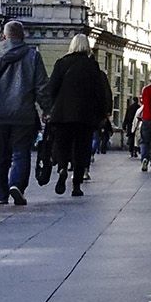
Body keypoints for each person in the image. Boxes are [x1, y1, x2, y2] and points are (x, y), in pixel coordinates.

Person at [0, 21, 50, 205]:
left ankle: (0, 193)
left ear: (4, 35)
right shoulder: (33, 56)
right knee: (21, 153)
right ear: (22, 36)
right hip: (24, 115)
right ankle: (16, 185)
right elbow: (41, 87)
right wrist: (47, 109)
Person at [43, 35, 111, 196]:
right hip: (85, 117)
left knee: (62, 144)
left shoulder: (61, 63)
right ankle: (76, 185)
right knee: (82, 149)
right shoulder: (92, 66)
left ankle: (61, 169)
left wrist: (48, 109)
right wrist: (102, 113)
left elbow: (51, 89)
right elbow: (99, 92)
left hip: (62, 115)